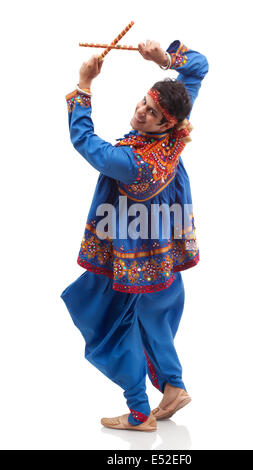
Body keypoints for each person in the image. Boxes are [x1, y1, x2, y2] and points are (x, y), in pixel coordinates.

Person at [61, 39, 208, 432]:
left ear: (167, 122)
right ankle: (173, 386)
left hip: (130, 252)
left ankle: (140, 412)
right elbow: (198, 67)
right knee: (154, 311)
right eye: (145, 101)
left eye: (152, 112)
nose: (141, 111)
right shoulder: (174, 134)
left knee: (108, 316)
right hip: (161, 249)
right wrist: (163, 59)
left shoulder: (132, 162)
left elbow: (85, 143)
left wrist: (84, 84)